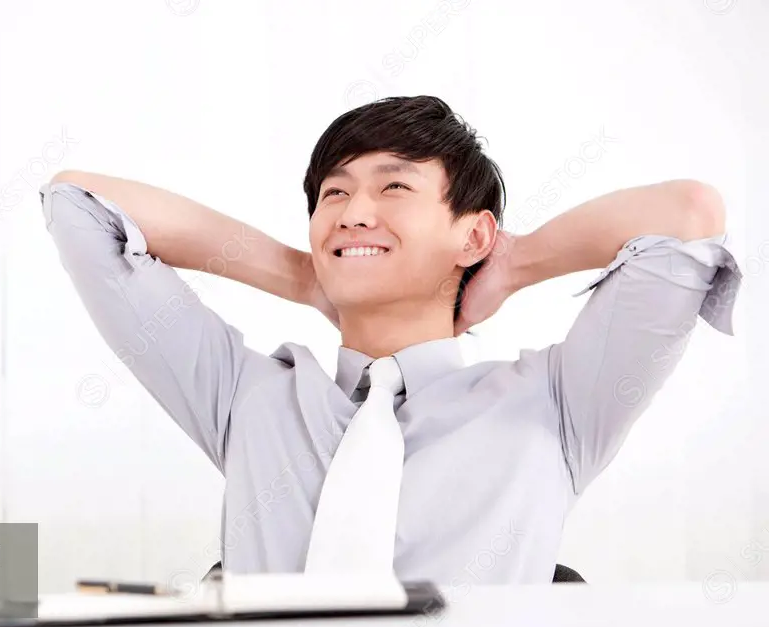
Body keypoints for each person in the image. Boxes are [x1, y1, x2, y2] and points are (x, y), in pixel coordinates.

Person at [39, 95, 741, 587]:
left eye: (394, 187)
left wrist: (513, 267)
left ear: (474, 233)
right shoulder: (243, 395)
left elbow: (689, 214)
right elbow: (77, 204)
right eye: (334, 196)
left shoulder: (556, 406)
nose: (354, 213)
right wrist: (304, 275)